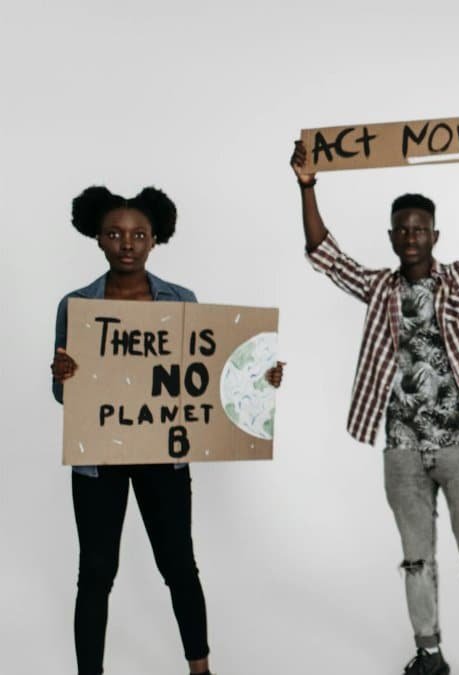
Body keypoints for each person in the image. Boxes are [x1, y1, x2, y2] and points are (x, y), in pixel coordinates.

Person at [290, 131, 459, 675]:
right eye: (403, 229)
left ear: (434, 235)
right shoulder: (379, 289)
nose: (411, 237)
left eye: (420, 229)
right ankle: (430, 654)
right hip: (402, 448)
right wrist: (307, 186)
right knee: (416, 559)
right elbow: (324, 254)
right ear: (392, 236)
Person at [52, 185, 284, 675]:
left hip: (164, 453)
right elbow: (65, 397)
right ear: (98, 238)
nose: (127, 244)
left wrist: (257, 378)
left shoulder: (181, 300)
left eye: (138, 234)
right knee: (95, 573)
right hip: (98, 460)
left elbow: (204, 376)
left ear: (155, 238)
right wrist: (64, 377)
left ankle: (200, 668)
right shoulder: (76, 305)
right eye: (115, 234)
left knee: (178, 564)